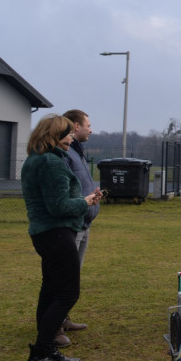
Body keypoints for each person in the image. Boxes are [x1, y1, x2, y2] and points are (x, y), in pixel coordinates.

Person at [21, 114, 103, 361]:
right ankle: (39, 355)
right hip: (56, 234)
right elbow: (59, 206)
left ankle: (46, 352)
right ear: (54, 135)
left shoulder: (36, 159)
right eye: (67, 133)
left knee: (50, 289)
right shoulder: (51, 163)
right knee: (67, 293)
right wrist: (87, 201)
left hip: (45, 233)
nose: (71, 137)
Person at [56, 109, 99, 344]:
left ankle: (63, 319)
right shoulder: (64, 153)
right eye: (88, 125)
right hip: (72, 225)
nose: (91, 130)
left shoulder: (77, 152)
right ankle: (54, 328)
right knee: (63, 276)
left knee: (72, 276)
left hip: (84, 223)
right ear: (75, 125)